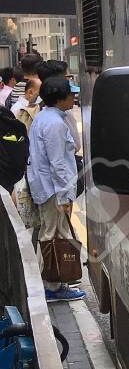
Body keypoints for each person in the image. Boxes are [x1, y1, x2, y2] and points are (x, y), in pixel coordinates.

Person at [26, 78, 84, 302]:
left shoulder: (45, 117)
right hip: (52, 190)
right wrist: (63, 196)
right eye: (71, 94)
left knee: (51, 233)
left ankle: (51, 282)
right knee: (53, 235)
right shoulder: (55, 124)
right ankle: (51, 285)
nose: (74, 98)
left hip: (47, 187)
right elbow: (58, 163)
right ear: (60, 98)